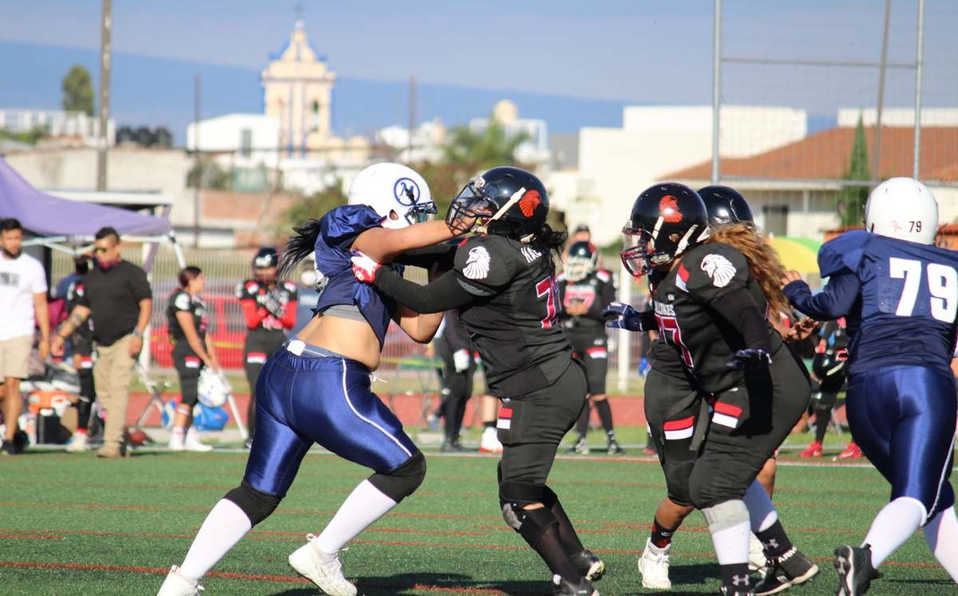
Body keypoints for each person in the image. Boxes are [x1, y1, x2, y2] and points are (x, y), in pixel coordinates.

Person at [157, 162, 454, 596]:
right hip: (327, 375)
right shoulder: (354, 223)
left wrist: (440, 267)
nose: (423, 218)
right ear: (392, 201)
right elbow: (395, 239)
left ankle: (181, 583)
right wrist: (460, 226)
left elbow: (423, 328)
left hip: (290, 372)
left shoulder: (381, 262)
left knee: (258, 493)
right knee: (406, 466)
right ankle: (323, 552)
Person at [351, 167, 604, 596]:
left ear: (509, 212)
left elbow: (428, 298)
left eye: (486, 203)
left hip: (537, 387)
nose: (475, 207)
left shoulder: (495, 254)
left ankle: (571, 581)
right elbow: (442, 256)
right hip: (555, 378)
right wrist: (393, 255)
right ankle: (579, 558)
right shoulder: (523, 248)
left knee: (516, 500)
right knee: (523, 480)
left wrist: (377, 274)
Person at [606, 183, 816, 596]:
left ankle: (743, 579)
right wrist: (641, 320)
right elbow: (692, 315)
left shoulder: (701, 263)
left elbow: (741, 311)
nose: (639, 244)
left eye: (647, 234)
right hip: (717, 380)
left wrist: (758, 345)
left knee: (709, 485)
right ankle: (786, 559)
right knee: (701, 483)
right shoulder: (681, 269)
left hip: (744, 380)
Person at [782, 177, 958, 595]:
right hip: (924, 384)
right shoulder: (951, 266)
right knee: (917, 495)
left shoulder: (861, 247)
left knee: (932, 497)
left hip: (863, 392)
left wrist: (797, 292)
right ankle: (864, 558)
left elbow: (833, 305)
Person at [52, 227, 152, 459]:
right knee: (105, 394)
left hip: (126, 339)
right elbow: (82, 309)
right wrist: (61, 335)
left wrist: (138, 334)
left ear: (117, 248)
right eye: (96, 249)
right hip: (102, 344)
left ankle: (112, 443)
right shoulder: (93, 277)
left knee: (118, 388)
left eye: (104, 249)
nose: (99, 254)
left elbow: (146, 305)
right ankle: (121, 435)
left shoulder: (133, 273)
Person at [558, 241, 623, 455]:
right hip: (570, 339)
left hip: (594, 337)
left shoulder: (602, 278)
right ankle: (581, 438)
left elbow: (612, 311)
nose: (576, 267)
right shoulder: (562, 280)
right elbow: (551, 309)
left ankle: (611, 439)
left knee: (598, 390)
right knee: (580, 392)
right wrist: (567, 310)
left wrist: (589, 309)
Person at [236, 246, 298, 446]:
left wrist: (274, 308)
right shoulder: (248, 287)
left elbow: (289, 321)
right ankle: (252, 435)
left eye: (267, 268)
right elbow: (252, 321)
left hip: (278, 343)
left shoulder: (288, 288)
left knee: (277, 392)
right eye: (259, 269)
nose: (262, 273)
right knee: (258, 390)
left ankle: (274, 435)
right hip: (257, 343)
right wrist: (265, 307)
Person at [0, 218, 49, 455]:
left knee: (12, 384)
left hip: (19, 332)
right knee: (1, 391)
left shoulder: (32, 267)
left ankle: (8, 440)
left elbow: (41, 303)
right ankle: (16, 429)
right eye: (9, 238)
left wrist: (47, 337)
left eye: (18, 238)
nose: (14, 242)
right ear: (1, 239)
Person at [167, 266, 220, 452]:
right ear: (191, 280)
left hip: (196, 351)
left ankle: (190, 436)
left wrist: (212, 358)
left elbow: (204, 334)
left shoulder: (197, 302)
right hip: (186, 350)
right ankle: (177, 435)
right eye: (200, 278)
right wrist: (205, 357)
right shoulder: (182, 299)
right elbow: (191, 334)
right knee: (188, 394)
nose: (203, 282)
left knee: (194, 396)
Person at [61, 256, 98, 452]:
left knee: (109, 393)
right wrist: (77, 350)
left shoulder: (106, 286)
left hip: (107, 346)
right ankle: (81, 433)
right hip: (85, 346)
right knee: (87, 391)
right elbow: (75, 321)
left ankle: (109, 434)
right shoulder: (77, 287)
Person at [799, 318, 848, 459]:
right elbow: (826, 336)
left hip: (853, 361)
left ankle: (855, 445)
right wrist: (822, 355)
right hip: (835, 361)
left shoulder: (860, 310)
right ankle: (817, 444)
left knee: (855, 405)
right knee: (822, 404)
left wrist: (843, 355)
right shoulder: (836, 315)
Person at [433, 310, 476, 451]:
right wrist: (459, 348)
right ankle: (449, 439)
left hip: (465, 346)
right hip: (453, 348)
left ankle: (454, 437)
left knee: (465, 392)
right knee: (455, 392)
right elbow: (450, 322)